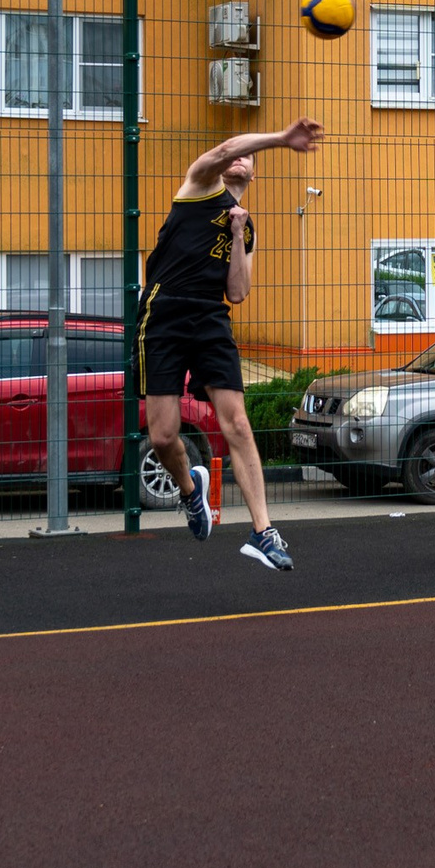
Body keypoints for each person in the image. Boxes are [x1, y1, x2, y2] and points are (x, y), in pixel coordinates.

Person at [140, 117, 325, 572]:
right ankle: (191, 491)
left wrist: (239, 233)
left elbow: (238, 293)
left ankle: (263, 531)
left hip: (210, 317)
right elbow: (224, 148)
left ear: (253, 175)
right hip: (164, 312)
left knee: (238, 424)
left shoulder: (247, 227)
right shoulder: (200, 184)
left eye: (249, 157)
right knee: (162, 435)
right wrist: (280, 139)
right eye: (237, 152)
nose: (239, 157)